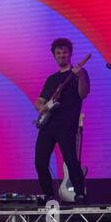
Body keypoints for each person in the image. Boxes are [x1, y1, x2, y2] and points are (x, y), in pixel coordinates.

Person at [34, 38, 90, 204]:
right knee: (40, 161)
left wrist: (80, 77)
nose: (62, 55)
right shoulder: (51, 79)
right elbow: (39, 101)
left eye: (64, 51)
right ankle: (49, 196)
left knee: (70, 159)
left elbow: (83, 94)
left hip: (66, 125)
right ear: (54, 55)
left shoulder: (80, 73)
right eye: (58, 52)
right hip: (48, 126)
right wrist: (40, 108)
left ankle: (80, 193)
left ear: (70, 53)